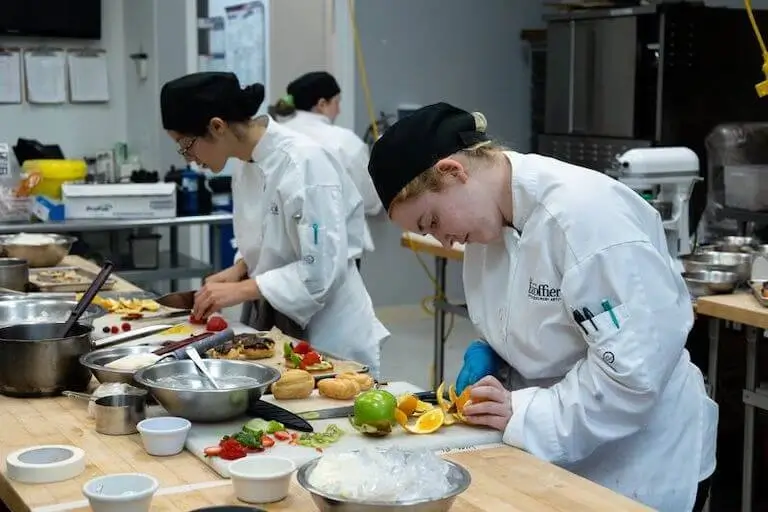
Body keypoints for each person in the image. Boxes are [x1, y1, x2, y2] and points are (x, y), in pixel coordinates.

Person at [367, 102, 718, 512]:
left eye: (431, 222)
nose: (444, 241)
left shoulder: (585, 217)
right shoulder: (489, 223)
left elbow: (633, 372)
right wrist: (496, 353)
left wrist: (526, 409)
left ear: (453, 171)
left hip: (641, 461)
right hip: (564, 455)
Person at [160, 71, 389, 374]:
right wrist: (239, 269)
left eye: (185, 144)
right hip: (276, 322)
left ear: (217, 126)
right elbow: (267, 237)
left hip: (328, 332)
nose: (188, 158)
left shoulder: (304, 163)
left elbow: (318, 272)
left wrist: (240, 291)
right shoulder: (245, 164)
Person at [270, 71, 382, 268]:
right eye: (336, 102)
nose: (338, 110)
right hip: (337, 251)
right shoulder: (344, 143)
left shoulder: (274, 137)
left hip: (280, 253)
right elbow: (371, 200)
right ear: (321, 104)